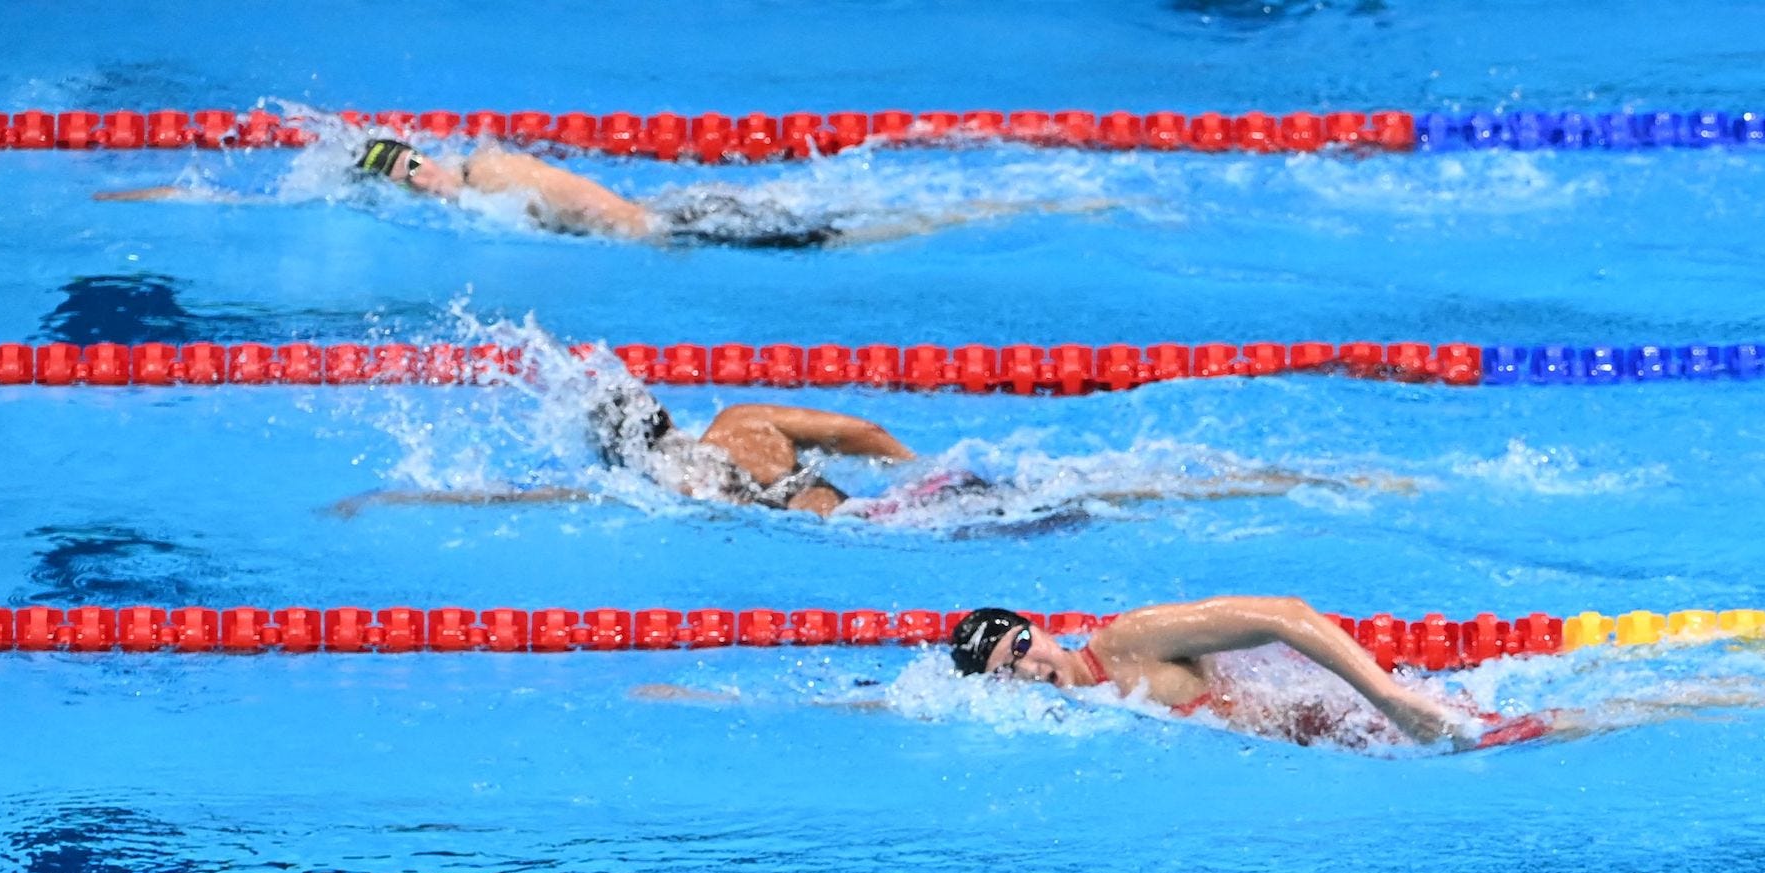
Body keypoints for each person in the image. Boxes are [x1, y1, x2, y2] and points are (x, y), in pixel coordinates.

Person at [331, 381, 1400, 524]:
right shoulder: (742, 420)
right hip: (909, 496)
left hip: (891, 528)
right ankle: (1314, 478)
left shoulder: (663, 480)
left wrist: (398, 498)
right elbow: (867, 434)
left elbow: (526, 498)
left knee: (1101, 502)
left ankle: (1309, 485)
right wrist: (911, 466)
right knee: (1106, 486)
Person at [942, 597, 1765, 749]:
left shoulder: (1131, 644)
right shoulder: (1087, 708)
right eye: (1004, 674)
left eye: (1018, 648)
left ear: (1038, 625)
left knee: (1597, 719)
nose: (1026, 673)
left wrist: (1394, 697)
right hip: (1358, 748)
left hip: (1389, 727)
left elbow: (1285, 612)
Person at [98, 133, 1107, 248]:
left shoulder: (489, 175)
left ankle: (1031, 208)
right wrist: (155, 199)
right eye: (393, 177)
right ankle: (1029, 204)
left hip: (674, 226)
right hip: (666, 225)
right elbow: (273, 204)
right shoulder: (454, 201)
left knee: (851, 234)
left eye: (406, 161)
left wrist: (645, 240)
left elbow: (598, 207)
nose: (410, 178)